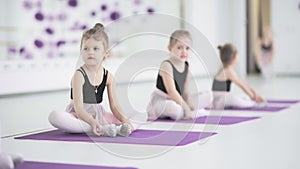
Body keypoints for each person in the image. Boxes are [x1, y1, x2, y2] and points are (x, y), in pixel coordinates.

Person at [49, 23, 143, 137]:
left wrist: (124, 120)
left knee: (140, 115)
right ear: (81, 52)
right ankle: (103, 129)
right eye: (86, 49)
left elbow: (114, 106)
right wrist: (93, 122)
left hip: (98, 115)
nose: (90, 52)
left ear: (106, 53)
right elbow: (79, 109)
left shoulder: (108, 76)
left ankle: (118, 128)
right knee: (54, 116)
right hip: (79, 116)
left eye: (95, 49)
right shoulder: (79, 75)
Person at [147, 30, 212, 121]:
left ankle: (186, 110)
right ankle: (165, 110)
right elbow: (171, 91)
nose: (184, 51)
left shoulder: (187, 65)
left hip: (178, 99)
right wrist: (186, 108)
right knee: (175, 109)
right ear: (170, 48)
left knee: (208, 96)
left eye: (187, 48)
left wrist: (189, 103)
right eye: (179, 48)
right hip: (162, 101)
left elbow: (185, 90)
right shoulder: (167, 65)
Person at [212, 43, 265, 109]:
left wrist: (254, 94)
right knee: (237, 100)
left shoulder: (228, 69)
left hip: (222, 97)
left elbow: (243, 83)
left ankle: (252, 101)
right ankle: (253, 104)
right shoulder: (228, 71)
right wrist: (254, 98)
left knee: (244, 97)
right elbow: (242, 86)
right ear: (233, 56)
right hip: (220, 99)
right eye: (237, 54)